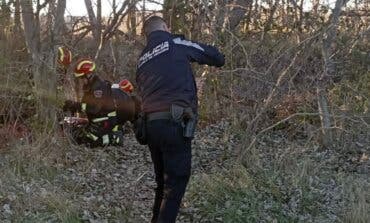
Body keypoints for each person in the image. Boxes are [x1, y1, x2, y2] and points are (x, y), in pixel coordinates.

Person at [135, 16, 225, 223]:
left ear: (147, 35)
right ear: (166, 28)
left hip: (150, 126)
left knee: (163, 183)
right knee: (175, 184)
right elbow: (215, 57)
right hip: (174, 123)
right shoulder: (174, 42)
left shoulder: (142, 59)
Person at [63, 58, 124, 147]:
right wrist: (73, 107)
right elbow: (86, 106)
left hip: (106, 121)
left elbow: (94, 108)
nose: (81, 80)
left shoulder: (99, 87)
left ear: (89, 74)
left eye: (82, 77)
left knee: (87, 141)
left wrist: (76, 105)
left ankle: (114, 138)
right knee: (77, 135)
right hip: (97, 121)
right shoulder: (90, 87)